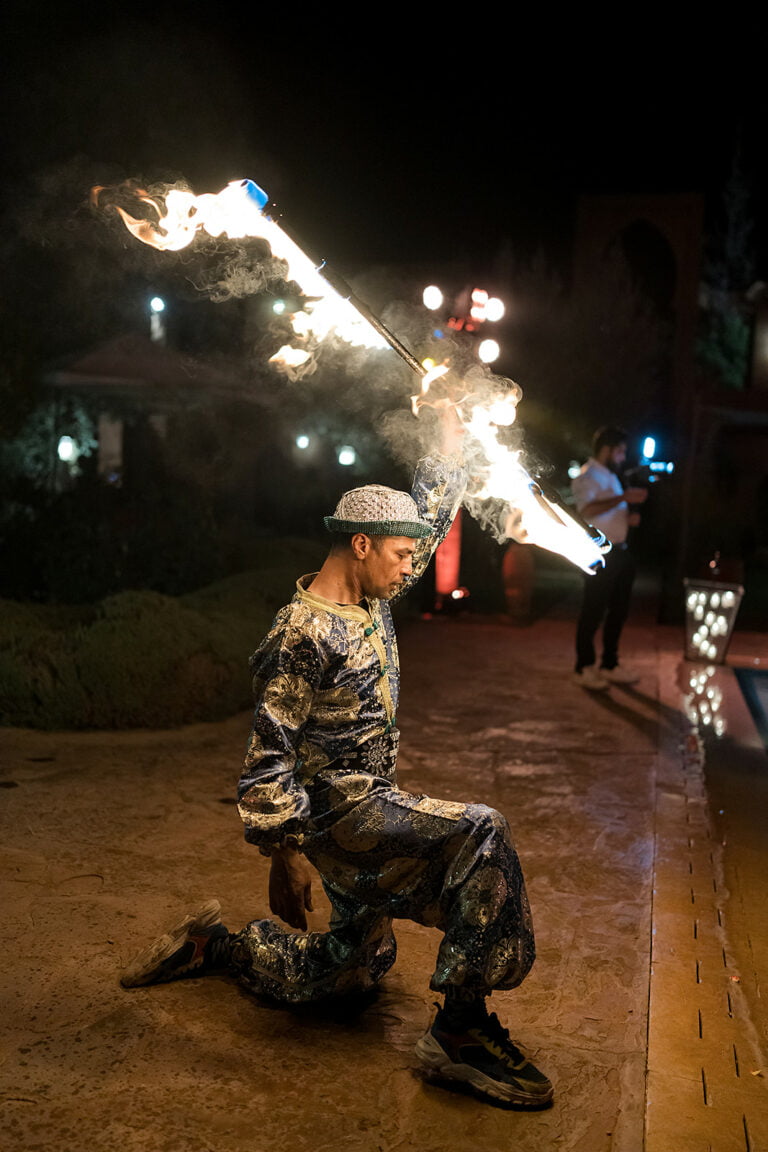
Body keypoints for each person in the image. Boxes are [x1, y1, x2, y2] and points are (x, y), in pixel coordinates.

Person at [120, 415, 554, 1110]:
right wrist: (282, 853)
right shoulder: (303, 632)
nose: (413, 567)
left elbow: (430, 521)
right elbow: (268, 754)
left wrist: (450, 433)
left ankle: (216, 948)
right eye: (401, 556)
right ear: (360, 545)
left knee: (347, 978)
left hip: (371, 799)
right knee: (481, 831)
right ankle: (461, 1032)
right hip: (340, 814)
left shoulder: (370, 596)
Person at [571, 425, 648, 690]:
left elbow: (610, 509)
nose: (623, 456)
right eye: (621, 451)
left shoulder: (610, 476)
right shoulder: (588, 475)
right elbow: (587, 510)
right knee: (593, 609)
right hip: (599, 554)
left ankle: (610, 664)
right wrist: (623, 498)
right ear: (607, 449)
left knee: (618, 611)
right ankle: (583, 667)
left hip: (621, 551)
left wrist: (628, 516)